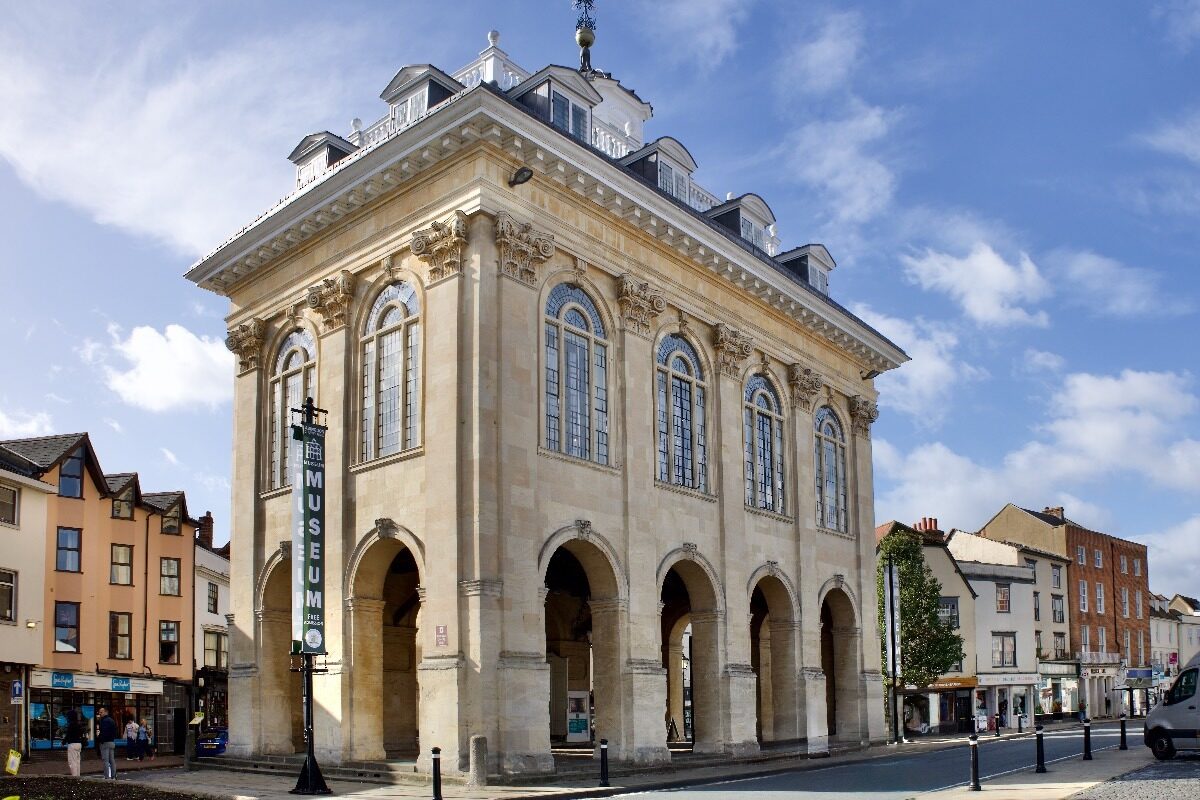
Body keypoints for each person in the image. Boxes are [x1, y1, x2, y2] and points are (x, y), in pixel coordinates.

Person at [96, 707, 118, 779]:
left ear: (106, 712)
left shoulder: (104, 721)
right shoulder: (112, 720)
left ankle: (106, 776)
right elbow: (115, 731)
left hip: (105, 743)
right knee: (112, 760)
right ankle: (113, 776)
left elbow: (103, 732)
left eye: (101, 712)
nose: (100, 713)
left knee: (105, 760)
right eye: (99, 712)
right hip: (112, 742)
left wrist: (100, 739)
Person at [64, 708, 86, 777]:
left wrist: (63, 742)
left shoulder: (71, 725)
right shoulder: (78, 724)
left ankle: (75, 777)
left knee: (72, 762)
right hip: (79, 744)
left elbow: (68, 735)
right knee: (77, 762)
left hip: (72, 744)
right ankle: (78, 776)